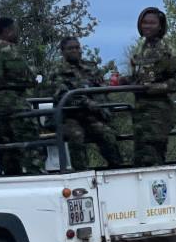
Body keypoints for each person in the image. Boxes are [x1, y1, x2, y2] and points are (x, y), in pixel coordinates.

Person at [43, 37, 122, 171]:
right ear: (63, 52)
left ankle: (116, 168)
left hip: (90, 115)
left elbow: (101, 89)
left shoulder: (90, 67)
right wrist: (85, 102)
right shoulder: (57, 71)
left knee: (106, 133)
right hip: (67, 116)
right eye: (70, 48)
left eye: (77, 47)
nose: (75, 51)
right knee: (76, 134)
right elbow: (61, 95)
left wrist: (102, 108)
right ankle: (81, 172)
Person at [0, 17, 43, 175]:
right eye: (15, 30)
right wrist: (35, 77)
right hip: (12, 101)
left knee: (7, 142)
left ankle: (12, 174)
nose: (17, 35)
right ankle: (35, 172)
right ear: (7, 31)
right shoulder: (8, 49)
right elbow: (25, 75)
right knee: (30, 136)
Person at [122, 7, 176, 166]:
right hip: (141, 114)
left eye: (152, 23)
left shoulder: (166, 51)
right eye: (144, 22)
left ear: (160, 26)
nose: (147, 26)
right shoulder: (141, 50)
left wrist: (156, 88)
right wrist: (125, 81)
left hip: (158, 114)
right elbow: (140, 78)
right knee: (140, 159)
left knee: (153, 159)